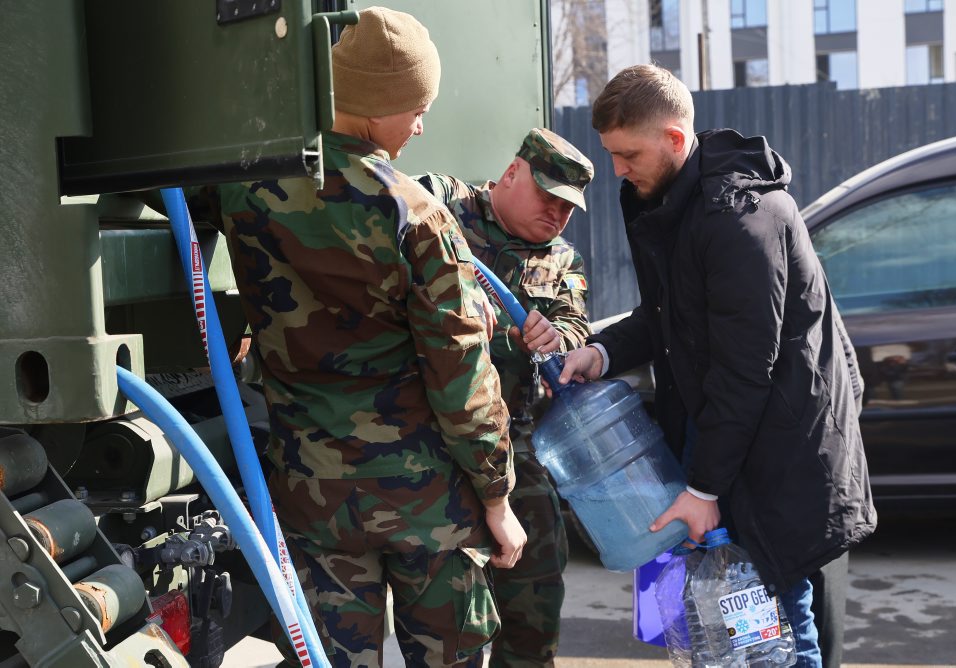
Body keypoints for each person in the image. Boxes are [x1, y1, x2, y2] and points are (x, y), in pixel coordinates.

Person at [191, 7, 526, 666]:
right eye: (415, 107)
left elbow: (175, 186)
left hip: (318, 507)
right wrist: (498, 496)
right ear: (376, 110)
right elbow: (462, 378)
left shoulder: (246, 189)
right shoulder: (417, 215)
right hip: (429, 506)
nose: (422, 122)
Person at [557, 64, 877, 667]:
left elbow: (743, 368)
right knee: (731, 634)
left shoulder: (739, 221)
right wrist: (602, 353)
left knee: (776, 633)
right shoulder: (671, 201)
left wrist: (704, 487)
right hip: (730, 442)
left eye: (628, 155)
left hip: (776, 455)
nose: (618, 171)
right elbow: (668, 317)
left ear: (676, 139)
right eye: (612, 155)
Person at [417, 127, 595, 668]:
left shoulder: (562, 260)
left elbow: (574, 323)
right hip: (427, 440)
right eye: (549, 198)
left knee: (537, 590)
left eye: (569, 208)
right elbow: (396, 196)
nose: (558, 216)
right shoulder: (445, 207)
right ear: (513, 174)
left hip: (512, 441)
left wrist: (557, 337)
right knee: (446, 617)